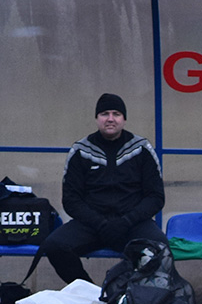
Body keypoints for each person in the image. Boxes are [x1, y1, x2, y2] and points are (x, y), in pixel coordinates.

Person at [40, 93, 167, 284]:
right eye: (104, 113)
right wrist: (100, 223)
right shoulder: (81, 150)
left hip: (132, 223)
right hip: (92, 224)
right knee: (55, 245)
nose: (110, 119)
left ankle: (133, 297)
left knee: (160, 247)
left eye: (116, 113)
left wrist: (126, 221)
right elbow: (71, 200)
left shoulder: (142, 148)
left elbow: (155, 197)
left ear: (124, 119)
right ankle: (91, 295)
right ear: (97, 118)